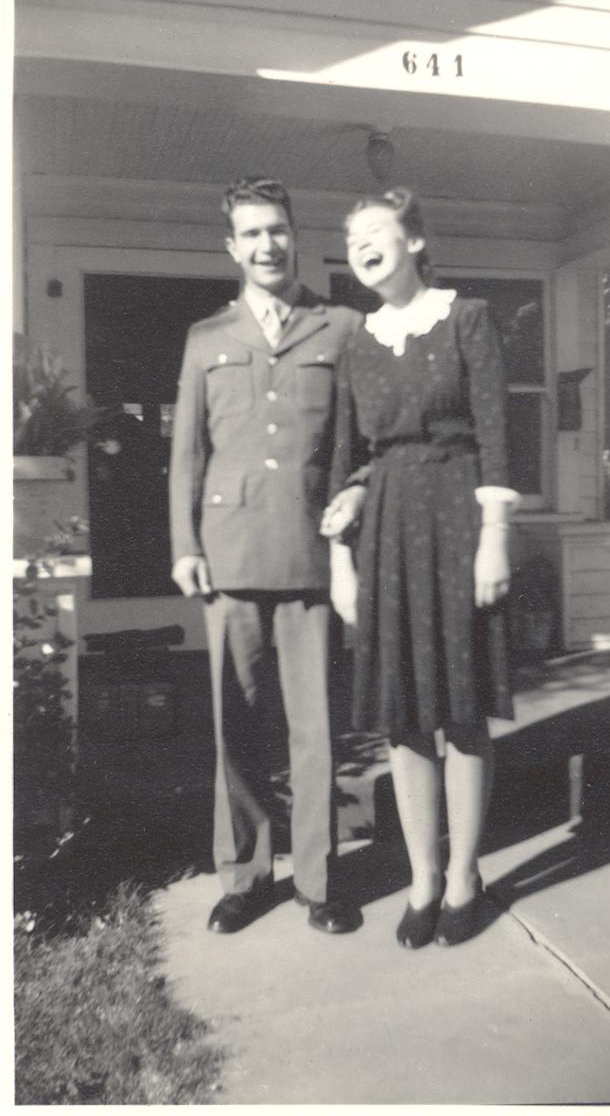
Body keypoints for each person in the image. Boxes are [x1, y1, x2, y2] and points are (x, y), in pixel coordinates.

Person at [321, 188, 517, 949]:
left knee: (461, 707)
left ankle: (465, 873)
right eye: (354, 238)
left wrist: (495, 537)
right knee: (404, 712)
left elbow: (497, 432)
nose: (364, 246)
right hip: (388, 533)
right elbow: (348, 461)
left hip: (458, 517)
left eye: (378, 232)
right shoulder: (358, 341)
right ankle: (423, 878)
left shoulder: (466, 317)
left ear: (415, 240)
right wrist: (342, 564)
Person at [169, 176, 362, 935]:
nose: (266, 245)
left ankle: (319, 882)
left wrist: (355, 495)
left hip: (310, 552)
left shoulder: (339, 326)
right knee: (237, 724)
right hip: (231, 554)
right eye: (251, 233)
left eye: (276, 229)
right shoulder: (206, 338)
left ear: (293, 234)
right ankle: (245, 875)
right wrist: (184, 545)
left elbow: (358, 441)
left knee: (314, 726)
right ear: (233, 247)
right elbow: (186, 455)